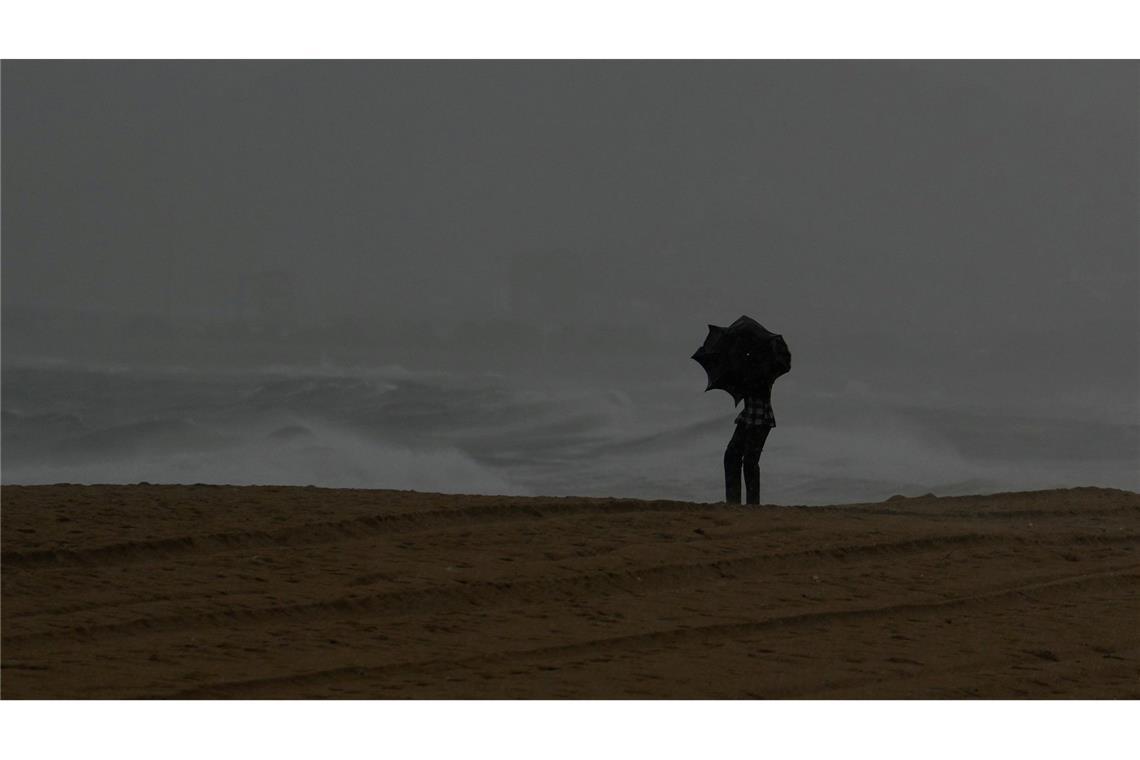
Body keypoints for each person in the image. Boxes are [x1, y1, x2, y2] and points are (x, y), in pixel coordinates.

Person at [724, 377, 776, 505]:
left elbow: (761, 388)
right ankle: (733, 502)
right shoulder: (746, 365)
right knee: (731, 456)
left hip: (761, 418)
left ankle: (752, 504)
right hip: (748, 416)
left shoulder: (764, 368)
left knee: (750, 462)